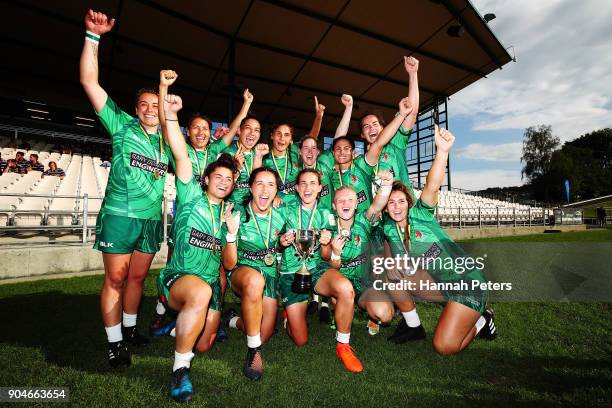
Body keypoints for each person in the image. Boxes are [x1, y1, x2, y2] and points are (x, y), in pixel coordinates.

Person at [80, 9, 169, 367]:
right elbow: (89, 81)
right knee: (115, 277)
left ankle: (130, 328)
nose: (150, 109)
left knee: (138, 276)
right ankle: (115, 343)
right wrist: (92, 36)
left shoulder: (167, 141)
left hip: (150, 218)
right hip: (120, 215)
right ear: (136, 109)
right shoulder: (122, 125)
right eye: (144, 105)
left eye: (155, 105)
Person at [156, 73, 239, 402]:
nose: (222, 182)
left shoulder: (228, 214)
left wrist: (231, 235)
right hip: (181, 279)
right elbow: (178, 149)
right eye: (217, 177)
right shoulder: (190, 191)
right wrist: (173, 116)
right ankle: (179, 371)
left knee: (204, 342)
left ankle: (180, 326)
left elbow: (229, 265)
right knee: (201, 292)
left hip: (208, 288)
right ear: (205, 178)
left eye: (228, 179)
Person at [377, 125, 496, 352]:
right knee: (391, 277)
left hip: (467, 282)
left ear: (408, 203)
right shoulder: (389, 228)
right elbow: (386, 245)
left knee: (444, 347)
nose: (396, 206)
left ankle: (483, 319)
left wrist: (442, 152)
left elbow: (432, 185)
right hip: (441, 283)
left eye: (401, 201)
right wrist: (389, 264)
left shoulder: (421, 214)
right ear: (385, 208)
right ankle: (413, 326)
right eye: (391, 202)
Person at [150, 80, 254, 336]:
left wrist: (246, 106)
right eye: (195, 128)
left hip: (213, 219)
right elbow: (167, 129)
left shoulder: (216, 151)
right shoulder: (183, 152)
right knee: (180, 265)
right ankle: (167, 312)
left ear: (210, 132)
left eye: (205, 129)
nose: (201, 133)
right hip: (187, 221)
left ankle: (210, 316)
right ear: (188, 132)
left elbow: (232, 131)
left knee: (216, 269)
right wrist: (166, 100)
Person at [313, 169, 393, 373]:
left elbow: (378, 204)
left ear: (357, 203)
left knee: (385, 314)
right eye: (340, 200)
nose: (345, 203)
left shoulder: (364, 221)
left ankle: (360, 312)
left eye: (350, 199)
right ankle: (343, 345)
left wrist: (386, 184)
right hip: (334, 275)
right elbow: (327, 261)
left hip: (361, 282)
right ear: (333, 205)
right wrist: (335, 253)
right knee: (344, 290)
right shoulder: (327, 227)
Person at [223, 166, 289, 381]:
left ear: (276, 190)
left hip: (269, 273)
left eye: (271, 185)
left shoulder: (281, 212)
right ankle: (253, 351)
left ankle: (233, 320)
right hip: (243, 271)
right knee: (254, 281)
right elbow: (229, 263)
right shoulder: (238, 215)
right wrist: (231, 235)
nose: (264, 189)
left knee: (265, 333)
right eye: (259, 183)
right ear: (250, 188)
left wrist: (280, 244)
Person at [278, 169, 334, 346]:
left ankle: (342, 341)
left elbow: (326, 256)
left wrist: (326, 242)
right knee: (300, 340)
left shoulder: (326, 214)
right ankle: (290, 315)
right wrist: (282, 240)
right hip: (291, 272)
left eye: (312, 183)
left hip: (315, 269)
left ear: (319, 188)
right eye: (303, 183)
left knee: (343, 287)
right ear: (296, 188)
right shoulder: (287, 210)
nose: (307, 188)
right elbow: (276, 242)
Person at [262, 96, 325, 196]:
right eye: (279, 134)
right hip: (274, 207)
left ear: (291, 139)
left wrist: (319, 117)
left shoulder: (295, 151)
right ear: (272, 136)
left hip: (296, 207)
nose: (282, 138)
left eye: (286, 135)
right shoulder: (264, 157)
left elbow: (311, 137)